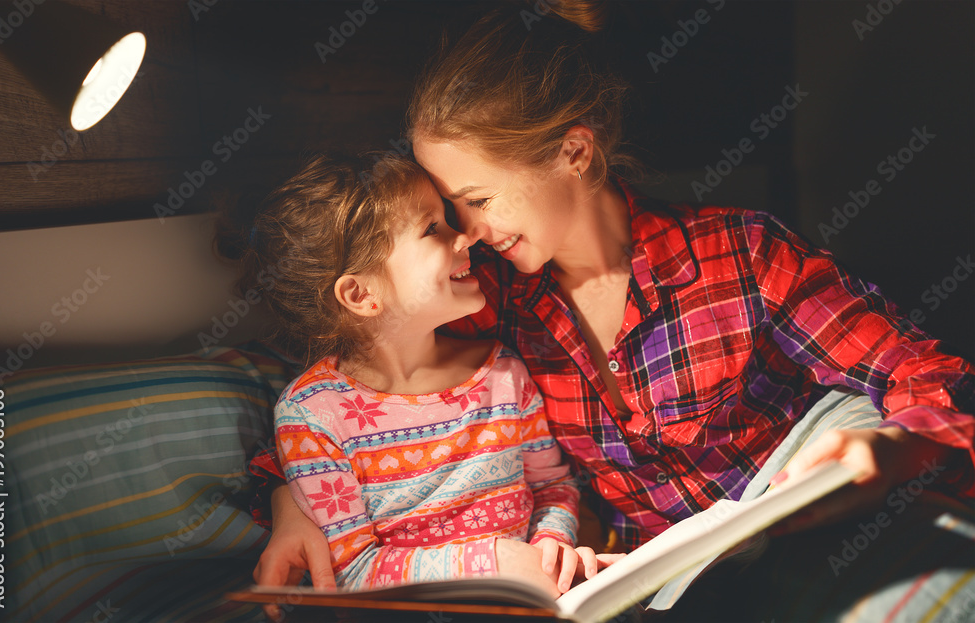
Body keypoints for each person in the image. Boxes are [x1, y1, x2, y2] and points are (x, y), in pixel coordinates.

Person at [250, 2, 975, 620]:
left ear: (573, 152)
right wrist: (292, 499)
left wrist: (896, 449)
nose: (467, 233)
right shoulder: (497, 297)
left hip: (812, 534)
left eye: (477, 200)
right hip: (673, 586)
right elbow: (356, 383)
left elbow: (930, 377)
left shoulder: (742, 254)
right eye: (449, 212)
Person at [216, 152, 620, 603]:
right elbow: (353, 570)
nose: (465, 236)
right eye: (432, 229)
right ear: (362, 293)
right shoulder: (313, 415)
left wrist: (551, 544)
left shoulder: (504, 373)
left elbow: (552, 486)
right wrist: (495, 565)